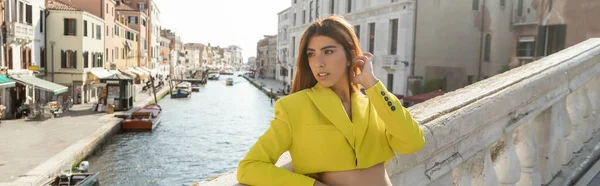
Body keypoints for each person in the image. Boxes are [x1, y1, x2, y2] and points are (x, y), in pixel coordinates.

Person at [237, 16, 425, 186]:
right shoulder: (293, 107)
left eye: (328, 51)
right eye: (311, 54)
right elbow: (249, 167)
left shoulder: (375, 104)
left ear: (350, 56)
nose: (318, 62)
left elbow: (413, 142)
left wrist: (373, 84)